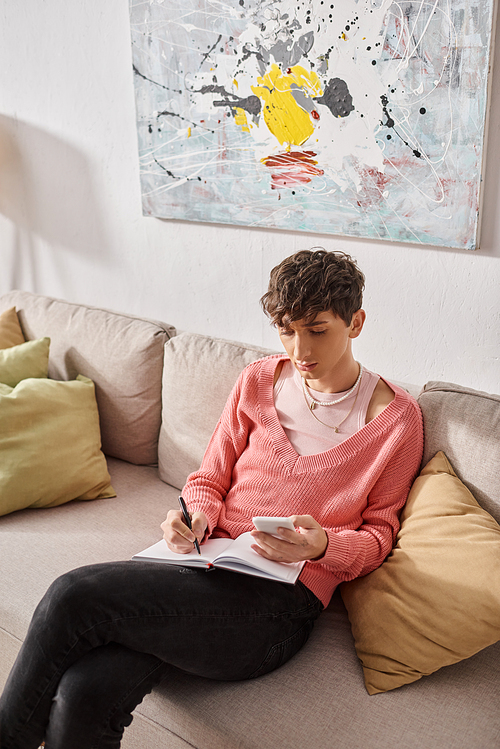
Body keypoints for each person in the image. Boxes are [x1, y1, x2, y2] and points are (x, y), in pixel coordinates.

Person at [0, 249, 423, 749]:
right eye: (285, 330)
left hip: (278, 606)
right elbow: (209, 476)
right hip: (201, 566)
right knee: (84, 691)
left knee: (73, 594)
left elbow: (379, 536)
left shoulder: (396, 419)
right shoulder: (257, 380)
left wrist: (322, 547)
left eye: (317, 329)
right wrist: (195, 514)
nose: (299, 348)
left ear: (355, 323)